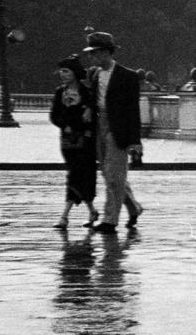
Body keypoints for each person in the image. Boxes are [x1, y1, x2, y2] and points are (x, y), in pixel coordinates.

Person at [81, 31, 143, 232]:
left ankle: (110, 220)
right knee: (109, 174)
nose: (92, 57)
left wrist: (135, 141)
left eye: (95, 53)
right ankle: (133, 208)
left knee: (115, 175)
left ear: (108, 52)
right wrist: (90, 109)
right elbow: (93, 97)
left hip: (119, 128)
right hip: (100, 125)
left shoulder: (128, 76)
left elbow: (133, 111)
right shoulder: (95, 74)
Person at [49, 56, 98, 230]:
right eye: (61, 71)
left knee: (75, 175)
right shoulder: (59, 92)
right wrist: (66, 124)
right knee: (79, 176)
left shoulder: (87, 93)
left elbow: (92, 118)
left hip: (85, 141)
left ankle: (64, 216)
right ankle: (92, 210)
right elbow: (53, 116)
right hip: (68, 141)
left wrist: (76, 122)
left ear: (75, 73)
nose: (62, 74)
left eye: (66, 71)